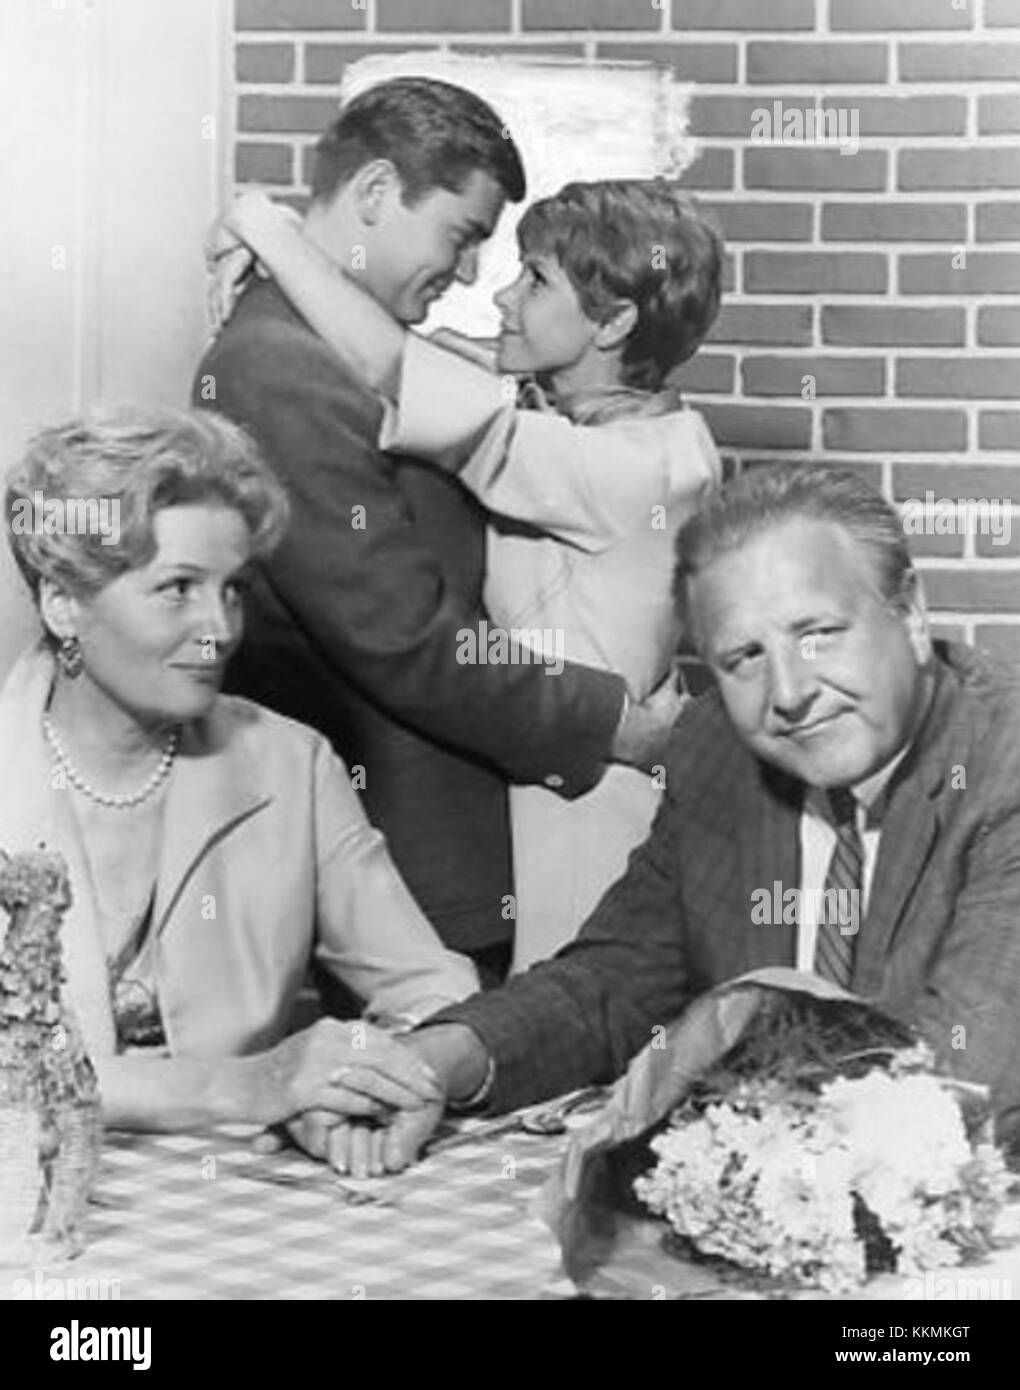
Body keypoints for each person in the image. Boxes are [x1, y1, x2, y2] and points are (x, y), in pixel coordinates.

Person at [329, 464, 1020, 1175]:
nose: (788, 693)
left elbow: (955, 1085)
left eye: (816, 632)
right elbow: (619, 980)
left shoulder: (1003, 761)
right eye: (745, 656)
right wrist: (430, 1065)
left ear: (909, 613)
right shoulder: (717, 746)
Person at [194, 78, 680, 990]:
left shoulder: (343, 343)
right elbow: (403, 639)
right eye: (462, 238)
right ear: (377, 195)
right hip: (404, 867)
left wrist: (260, 224)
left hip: (454, 849)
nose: (469, 277)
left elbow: (441, 389)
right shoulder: (277, 369)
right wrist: (614, 722)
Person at [0, 406, 479, 1154]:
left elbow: (433, 992)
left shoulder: (292, 764)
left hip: (237, 1213)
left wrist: (370, 1087)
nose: (219, 628)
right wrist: (249, 1085)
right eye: (178, 588)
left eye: (231, 589)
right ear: (65, 604)